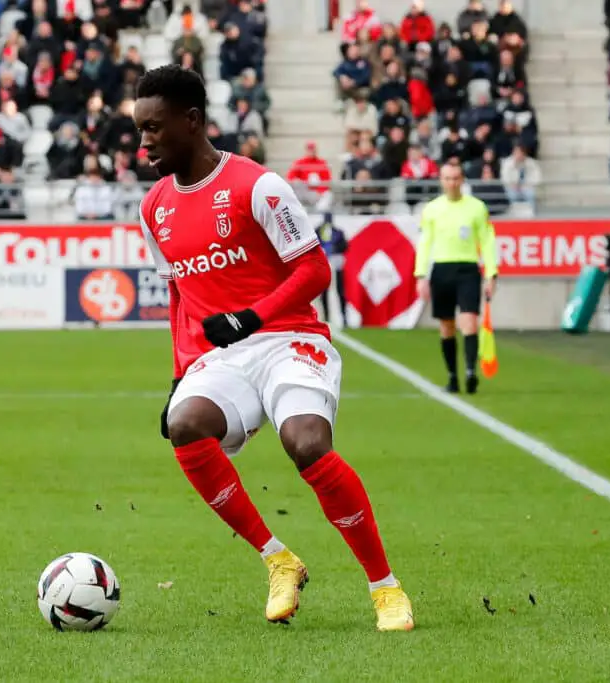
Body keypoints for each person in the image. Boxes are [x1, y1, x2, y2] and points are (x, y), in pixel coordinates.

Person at [134, 65, 413, 632]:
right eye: (140, 130)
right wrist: (179, 373)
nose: (144, 143)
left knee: (306, 443)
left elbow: (314, 270)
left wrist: (252, 316)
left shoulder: (257, 186)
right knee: (185, 425)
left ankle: (385, 588)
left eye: (154, 128)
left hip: (289, 338)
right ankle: (278, 559)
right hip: (223, 357)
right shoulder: (153, 208)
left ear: (192, 121)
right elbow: (178, 294)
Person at [414, 162, 498, 394]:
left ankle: (470, 371)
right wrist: (420, 274)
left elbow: (487, 241)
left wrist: (491, 273)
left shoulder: (476, 208)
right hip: (442, 269)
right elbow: (425, 242)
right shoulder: (432, 209)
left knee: (469, 320)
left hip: (468, 268)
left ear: (462, 180)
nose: (451, 183)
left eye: (455, 178)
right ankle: (452, 376)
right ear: (441, 180)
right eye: (447, 178)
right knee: (446, 325)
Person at [316, 212, 348, 325]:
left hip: (336, 265)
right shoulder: (318, 231)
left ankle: (343, 316)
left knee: (340, 291)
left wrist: (334, 249)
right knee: (324, 292)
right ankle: (326, 316)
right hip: (323, 264)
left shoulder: (338, 232)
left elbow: (345, 246)